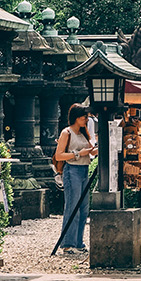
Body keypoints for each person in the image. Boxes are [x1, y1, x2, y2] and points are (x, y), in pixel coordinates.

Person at [53, 105, 97, 251]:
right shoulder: (67, 133)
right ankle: (68, 243)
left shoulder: (83, 133)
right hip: (72, 170)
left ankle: (78, 242)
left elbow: (89, 151)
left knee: (84, 209)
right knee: (72, 208)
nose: (86, 119)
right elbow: (59, 155)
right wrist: (78, 154)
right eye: (84, 117)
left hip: (84, 169)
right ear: (76, 117)